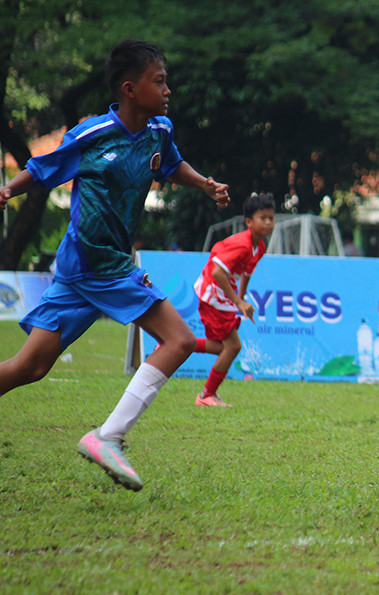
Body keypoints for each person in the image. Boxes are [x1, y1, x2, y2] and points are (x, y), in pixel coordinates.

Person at [0, 40, 230, 490]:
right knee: (179, 340)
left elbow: (170, 165)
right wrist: (8, 189)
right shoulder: (92, 135)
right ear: (129, 88)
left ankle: (109, 436)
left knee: (31, 367)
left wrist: (203, 184)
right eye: (158, 81)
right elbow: (44, 167)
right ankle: (109, 436)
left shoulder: (159, 130)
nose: (167, 89)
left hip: (83, 271)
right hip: (95, 265)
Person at [191, 192, 274, 406]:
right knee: (233, 347)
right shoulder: (243, 244)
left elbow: (246, 273)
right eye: (262, 218)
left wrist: (242, 301)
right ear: (248, 222)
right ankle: (206, 395)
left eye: (271, 218)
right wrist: (238, 302)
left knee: (223, 348)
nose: (268, 222)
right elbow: (218, 272)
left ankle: (177, 345)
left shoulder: (260, 247)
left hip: (221, 296)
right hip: (213, 294)